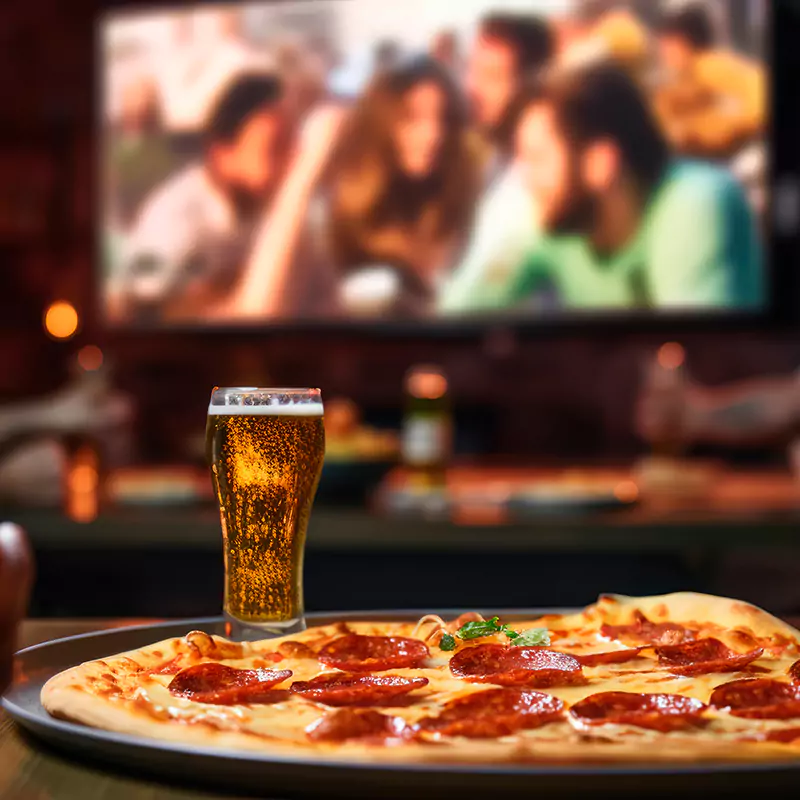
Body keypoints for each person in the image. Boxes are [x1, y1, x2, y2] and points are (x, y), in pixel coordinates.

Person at [440, 63, 763, 314]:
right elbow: (458, 317)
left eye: (536, 159)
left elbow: (697, 362)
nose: (524, 180)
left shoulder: (694, 203)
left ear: (601, 163)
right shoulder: (548, 215)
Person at [227, 56, 482, 318]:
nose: (433, 134)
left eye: (443, 119)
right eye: (412, 118)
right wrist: (306, 166)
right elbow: (258, 310)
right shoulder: (331, 214)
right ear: (383, 121)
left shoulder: (455, 204)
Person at [112, 72, 335, 322]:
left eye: (294, 146)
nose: (292, 163)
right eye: (275, 148)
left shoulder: (269, 204)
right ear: (222, 155)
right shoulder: (173, 224)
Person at [653, 3, 766, 158]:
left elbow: (754, 110)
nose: (662, 52)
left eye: (665, 44)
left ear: (682, 41)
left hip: (733, 154)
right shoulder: (680, 79)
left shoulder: (707, 67)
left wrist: (697, 132)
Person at [466, 13, 555, 170]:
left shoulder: (537, 177)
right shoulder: (492, 159)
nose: (473, 88)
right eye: (472, 70)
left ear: (530, 86)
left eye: (492, 77)